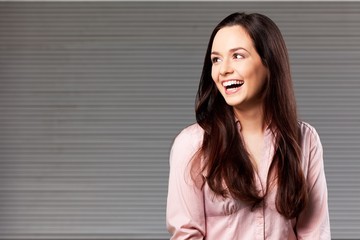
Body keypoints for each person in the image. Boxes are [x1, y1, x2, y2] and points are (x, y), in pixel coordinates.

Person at [166, 12, 331, 239]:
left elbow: (315, 233)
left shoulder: (305, 139)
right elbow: (186, 234)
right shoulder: (192, 144)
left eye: (238, 56)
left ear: (269, 63)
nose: (223, 70)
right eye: (216, 59)